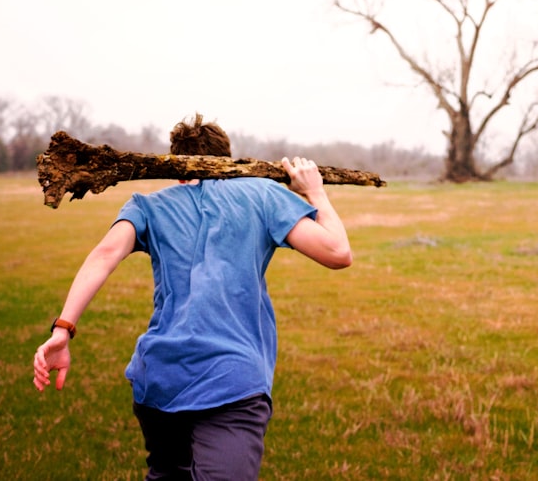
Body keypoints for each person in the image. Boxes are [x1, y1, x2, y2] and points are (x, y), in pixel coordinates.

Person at [32, 114, 352, 480]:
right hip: (233, 382)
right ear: (229, 162)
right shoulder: (263, 194)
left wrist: (63, 329)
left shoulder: (146, 206)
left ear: (176, 167)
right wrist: (317, 193)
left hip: (157, 380)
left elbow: (104, 256)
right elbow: (338, 252)